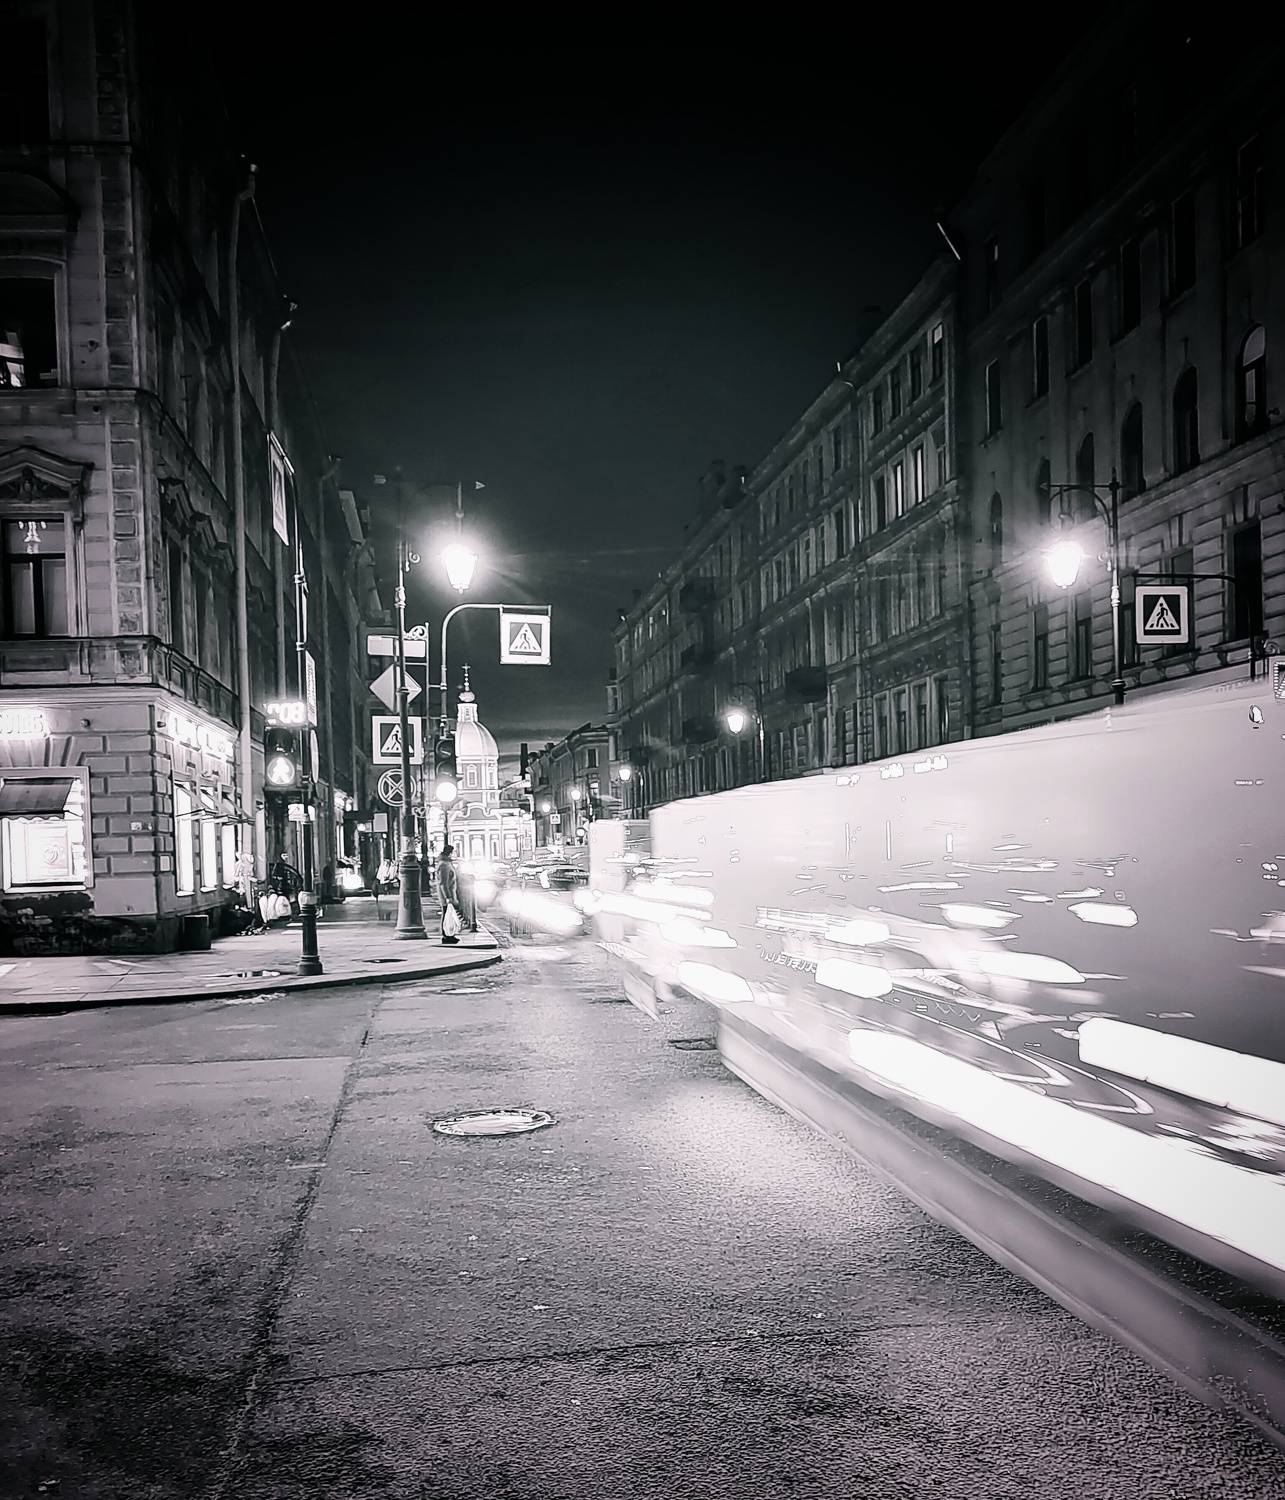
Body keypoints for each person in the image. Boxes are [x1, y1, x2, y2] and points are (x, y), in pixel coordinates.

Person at [435, 844, 462, 944]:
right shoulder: (444, 865)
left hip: (449, 893)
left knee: (448, 913)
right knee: (447, 914)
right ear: (450, 853)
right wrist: (448, 897)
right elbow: (443, 882)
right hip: (447, 895)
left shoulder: (446, 863)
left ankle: (449, 934)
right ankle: (447, 935)